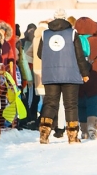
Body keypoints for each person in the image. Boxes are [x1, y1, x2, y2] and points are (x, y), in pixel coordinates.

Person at [37, 11, 89, 144]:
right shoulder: (72, 33)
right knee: (71, 105)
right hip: (70, 74)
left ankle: (44, 134)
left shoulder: (45, 34)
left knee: (50, 103)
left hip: (51, 74)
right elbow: (79, 56)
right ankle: (72, 136)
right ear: (65, 19)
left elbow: (39, 54)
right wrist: (84, 73)